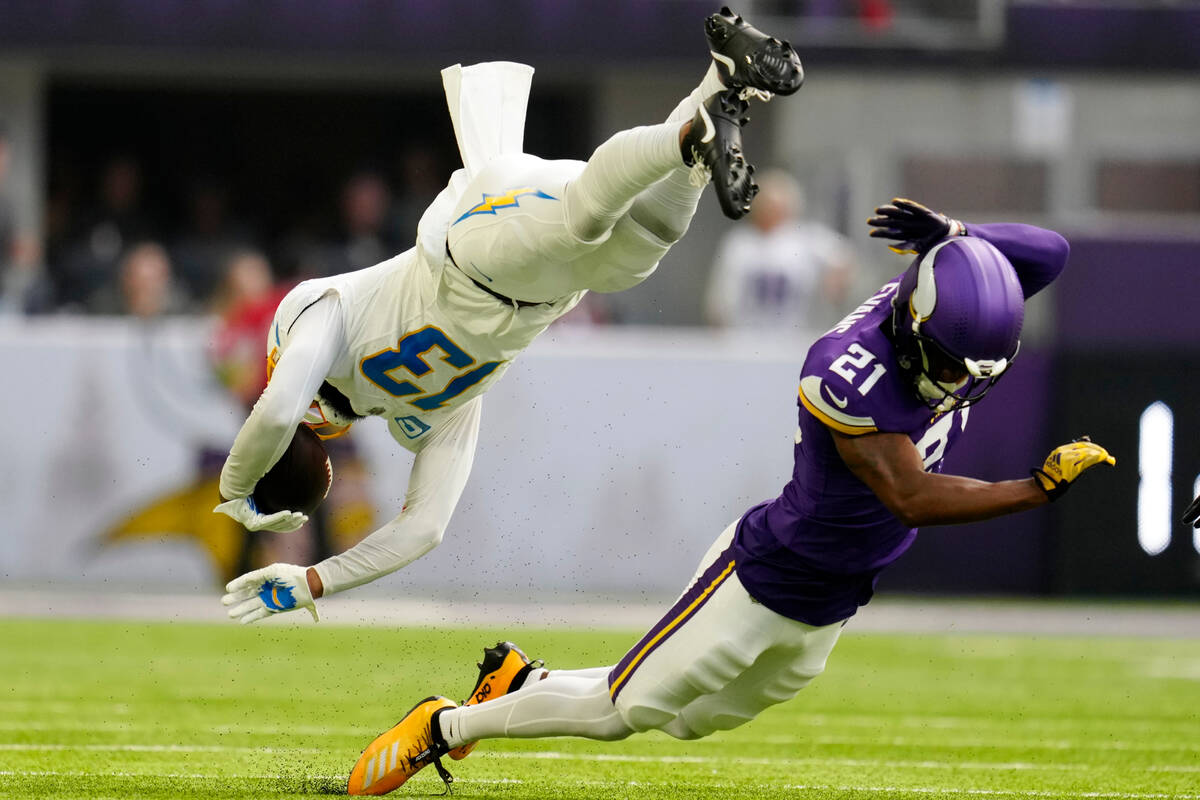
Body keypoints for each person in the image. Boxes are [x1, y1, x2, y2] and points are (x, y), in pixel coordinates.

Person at [342, 198, 1116, 796]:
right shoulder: (846, 370)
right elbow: (910, 496)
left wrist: (961, 234)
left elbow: (1052, 252)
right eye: (950, 366)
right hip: (766, 574)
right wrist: (1035, 488)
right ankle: (445, 724)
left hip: (836, 600)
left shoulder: (948, 312)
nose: (959, 383)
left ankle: (522, 683)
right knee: (621, 712)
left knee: (685, 720)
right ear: (914, 326)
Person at [217, 9, 806, 624]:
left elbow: (287, 416)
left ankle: (694, 133)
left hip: (475, 246)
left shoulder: (332, 334)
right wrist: (308, 571)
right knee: (644, 239)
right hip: (548, 292)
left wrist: (251, 508)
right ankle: (721, 84)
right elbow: (418, 524)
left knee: (588, 217)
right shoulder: (411, 409)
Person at [704, 168, 855, 332]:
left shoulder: (807, 239)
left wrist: (833, 283)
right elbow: (721, 298)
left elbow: (844, 258)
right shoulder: (739, 242)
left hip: (794, 340)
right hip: (745, 339)